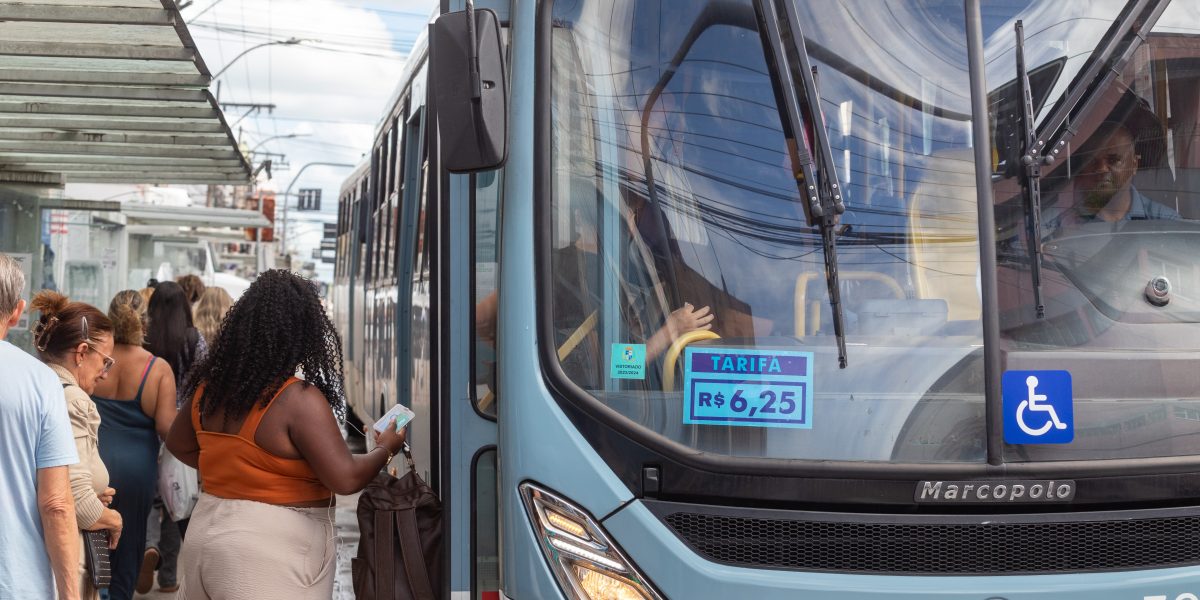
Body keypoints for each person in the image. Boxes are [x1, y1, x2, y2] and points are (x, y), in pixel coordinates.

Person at [166, 269, 407, 599]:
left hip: (205, 535)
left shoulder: (210, 390)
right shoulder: (297, 399)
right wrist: (386, 449)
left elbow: (177, 442)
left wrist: (234, 469)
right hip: (270, 553)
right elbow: (346, 478)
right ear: (302, 333)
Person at [31, 290, 125, 600]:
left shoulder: (36, 387)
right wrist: (112, 518)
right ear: (82, 352)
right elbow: (71, 500)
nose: (105, 372)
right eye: (105, 360)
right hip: (64, 556)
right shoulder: (73, 400)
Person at [0, 254, 81, 600]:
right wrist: (70, 593)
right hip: (17, 581)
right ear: (18, 312)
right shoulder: (39, 383)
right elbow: (56, 503)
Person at [91, 289, 178, 600]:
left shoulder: (95, 359)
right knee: (128, 547)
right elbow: (168, 428)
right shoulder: (157, 369)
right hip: (136, 471)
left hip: (92, 463)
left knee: (90, 539)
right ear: (144, 322)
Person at [143, 280, 207, 593]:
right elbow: (205, 384)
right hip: (182, 431)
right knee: (176, 499)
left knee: (151, 498)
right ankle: (168, 577)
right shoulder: (194, 339)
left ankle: (147, 546)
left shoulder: (145, 339)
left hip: (148, 425)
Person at [1047, 120, 1180, 231]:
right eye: (1092, 161)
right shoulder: (1058, 226)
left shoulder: (1167, 224)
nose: (1101, 169)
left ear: (1134, 164)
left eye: (1113, 160)